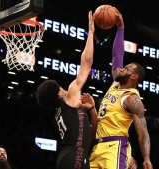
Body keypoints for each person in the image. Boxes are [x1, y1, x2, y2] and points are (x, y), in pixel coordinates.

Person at [89, 8, 153, 169]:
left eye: (128, 68)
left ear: (134, 77)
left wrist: (146, 158)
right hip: (98, 147)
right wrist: (120, 28)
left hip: (115, 147)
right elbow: (117, 54)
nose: (123, 68)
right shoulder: (116, 83)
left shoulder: (132, 99)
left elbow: (143, 133)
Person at [36, 11, 97, 169]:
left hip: (69, 156)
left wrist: (93, 111)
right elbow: (86, 62)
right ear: (58, 93)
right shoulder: (69, 97)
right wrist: (91, 33)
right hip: (75, 156)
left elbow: (91, 134)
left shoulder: (61, 112)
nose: (64, 87)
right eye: (60, 86)